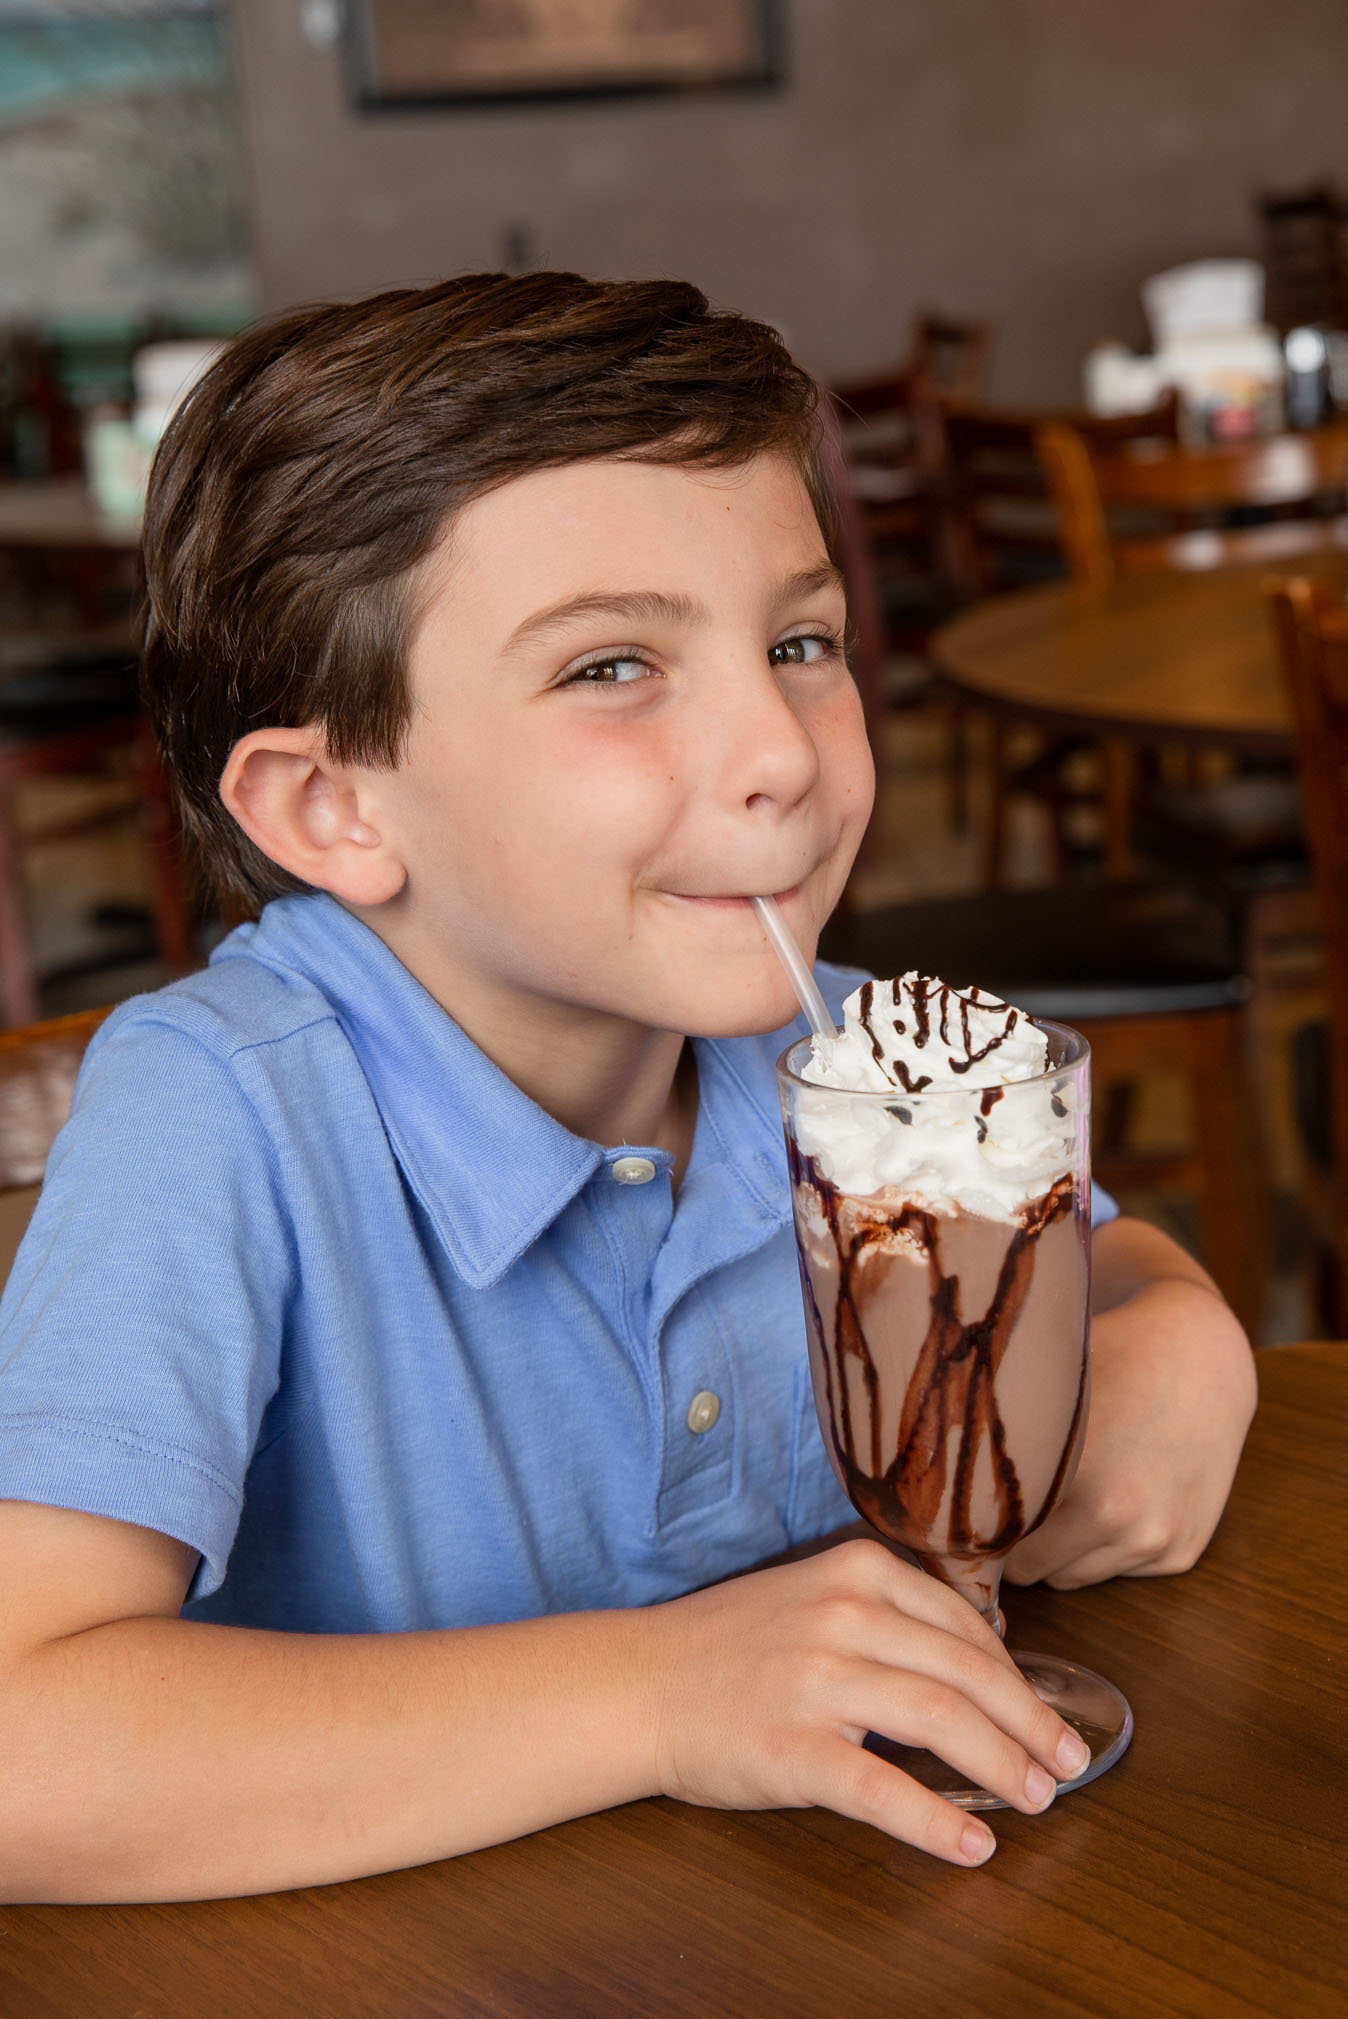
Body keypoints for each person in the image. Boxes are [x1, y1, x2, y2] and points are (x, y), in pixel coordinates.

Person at [0, 275, 1256, 1902]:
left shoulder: (871, 1061)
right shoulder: (221, 1112)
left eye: (801, 641)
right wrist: (666, 1692)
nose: (785, 748)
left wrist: (1181, 1337)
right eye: (611, 668)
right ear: (332, 809)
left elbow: (1120, 1262)